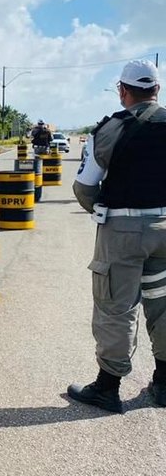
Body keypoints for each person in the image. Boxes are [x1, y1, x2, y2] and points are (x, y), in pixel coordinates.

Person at [70, 59, 166, 412]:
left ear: (123, 91)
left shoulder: (111, 128)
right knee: (163, 301)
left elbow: (84, 186)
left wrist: (100, 210)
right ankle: (164, 384)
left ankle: (107, 388)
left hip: (123, 229)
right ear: (156, 90)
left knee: (115, 306)